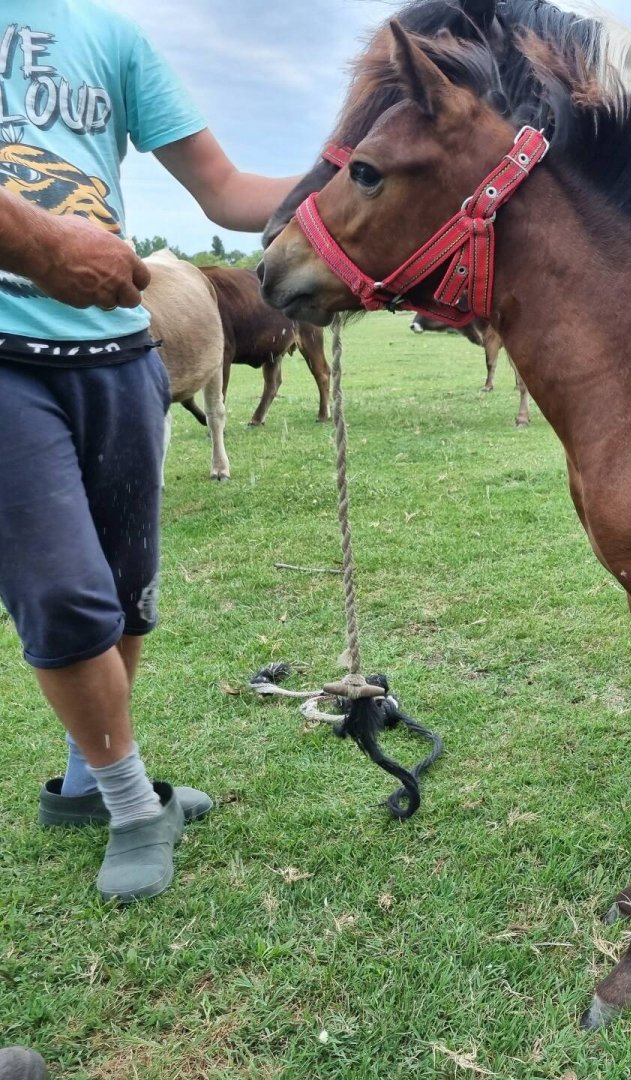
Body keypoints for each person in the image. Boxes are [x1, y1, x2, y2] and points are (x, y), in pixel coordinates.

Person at [0, 0, 298, 902]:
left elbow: (226, 189)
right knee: (62, 593)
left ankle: (88, 781)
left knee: (128, 597)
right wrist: (45, 244)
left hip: (122, 352)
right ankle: (136, 807)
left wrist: (362, 190)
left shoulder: (114, 36)